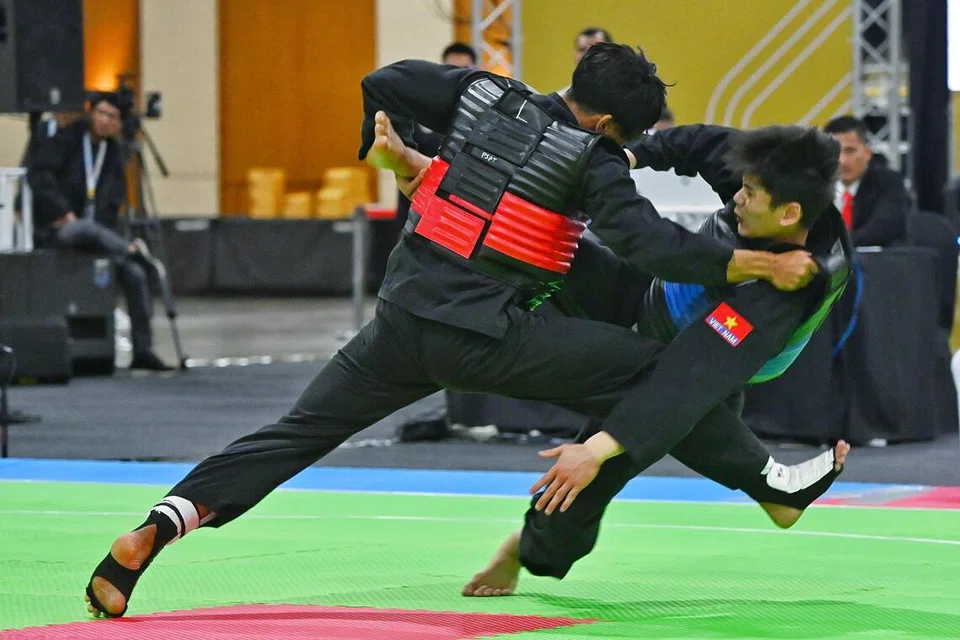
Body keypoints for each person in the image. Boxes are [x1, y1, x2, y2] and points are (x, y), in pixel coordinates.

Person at [83, 44, 817, 618]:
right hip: (488, 338)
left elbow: (384, 80)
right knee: (667, 366)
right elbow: (646, 243)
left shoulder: (481, 92)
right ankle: (762, 484)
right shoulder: (593, 157)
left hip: (399, 320)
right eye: (629, 140)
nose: (625, 150)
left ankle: (153, 531)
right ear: (603, 125)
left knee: (292, 434)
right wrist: (749, 263)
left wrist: (385, 148)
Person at [460, 123, 854, 596]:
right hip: (652, 293)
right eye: (742, 188)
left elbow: (692, 376)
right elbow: (693, 142)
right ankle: (777, 490)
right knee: (546, 236)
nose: (736, 200)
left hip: (706, 352)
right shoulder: (771, 179)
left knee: (630, 445)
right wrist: (624, 159)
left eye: (749, 194)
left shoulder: (783, 293)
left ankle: (527, 549)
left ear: (790, 214)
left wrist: (597, 448)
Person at [26, 92, 173, 372]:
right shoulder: (67, 140)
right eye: (101, 114)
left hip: (100, 237)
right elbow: (40, 177)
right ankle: (131, 250)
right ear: (91, 113)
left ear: (119, 123)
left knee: (135, 275)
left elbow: (114, 200)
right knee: (83, 229)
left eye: (113, 117)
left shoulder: (114, 154)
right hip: (62, 229)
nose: (105, 121)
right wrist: (61, 212)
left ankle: (143, 351)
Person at [822, 115, 908, 247]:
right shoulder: (814, 187)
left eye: (850, 151)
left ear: (867, 152)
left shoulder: (888, 183)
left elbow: (881, 229)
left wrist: (836, 247)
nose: (842, 161)